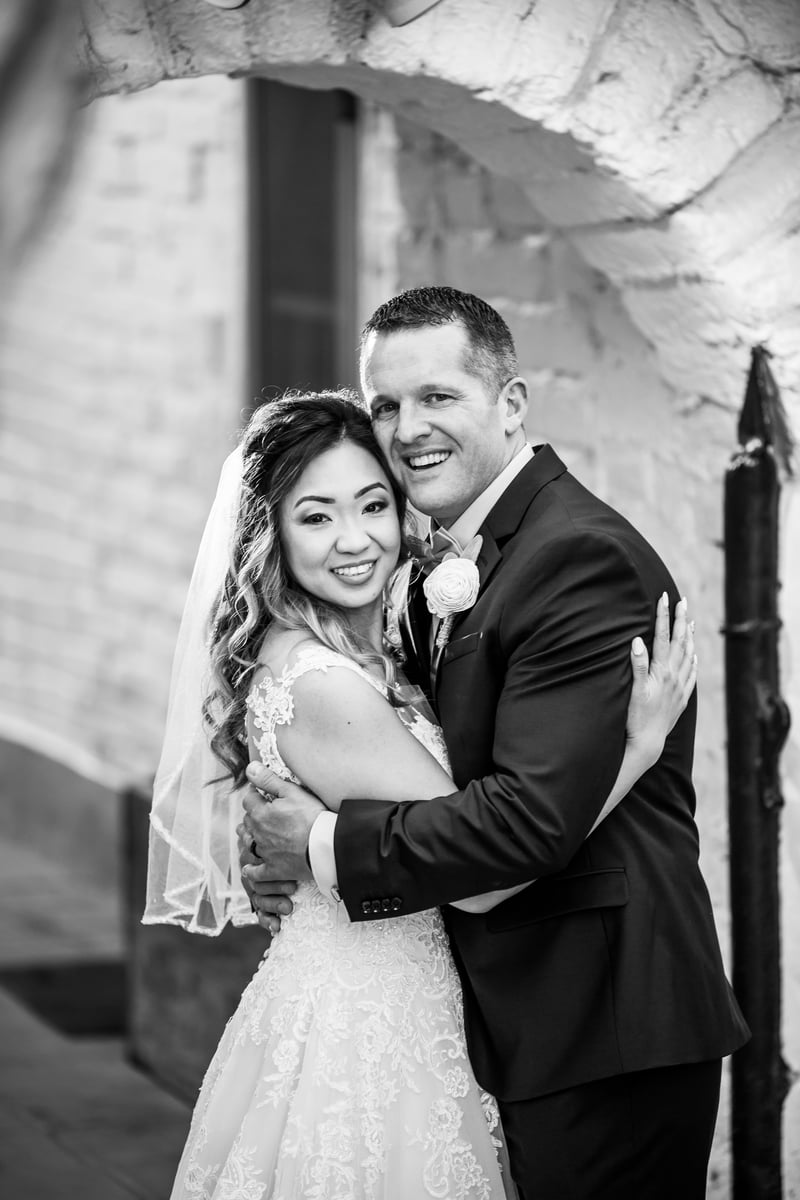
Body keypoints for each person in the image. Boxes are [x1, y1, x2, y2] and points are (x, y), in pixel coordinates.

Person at [240, 288, 751, 1200]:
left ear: (512, 403)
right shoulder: (439, 565)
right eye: (387, 404)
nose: (407, 429)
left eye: (438, 396)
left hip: (601, 1024)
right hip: (512, 1017)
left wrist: (317, 844)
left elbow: (522, 827)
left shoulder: (575, 558)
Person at [146, 388, 695, 1200]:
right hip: (368, 1024)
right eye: (316, 516)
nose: (355, 539)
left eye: (373, 505)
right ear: (271, 534)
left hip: (416, 1001)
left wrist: (314, 847)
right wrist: (635, 753)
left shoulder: (377, 640)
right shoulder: (322, 684)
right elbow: (485, 875)